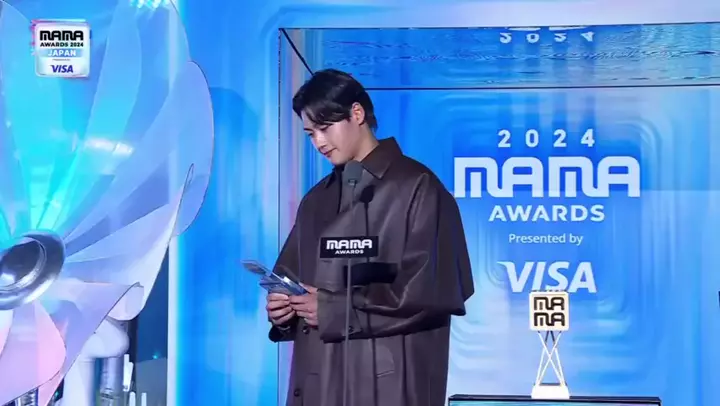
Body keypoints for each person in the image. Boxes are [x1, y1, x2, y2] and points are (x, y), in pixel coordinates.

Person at [265, 68, 474, 406]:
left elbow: (430, 293)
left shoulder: (419, 188)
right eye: (310, 133)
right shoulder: (316, 200)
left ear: (357, 113)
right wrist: (284, 309)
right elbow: (291, 278)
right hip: (319, 384)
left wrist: (334, 310)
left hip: (389, 387)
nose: (318, 142)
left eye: (325, 128)